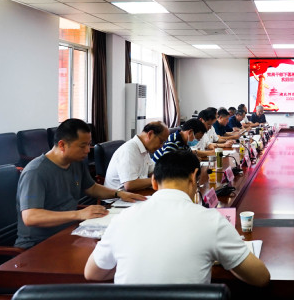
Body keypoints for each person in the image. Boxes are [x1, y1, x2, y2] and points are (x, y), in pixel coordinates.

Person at [84, 151, 270, 286]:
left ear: (154, 181)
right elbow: (261, 278)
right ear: (194, 177)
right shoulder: (211, 221)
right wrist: (226, 258)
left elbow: (92, 273)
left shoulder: (123, 218)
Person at [15, 119, 145, 249]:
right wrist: (78, 214)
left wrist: (119, 193)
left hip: (70, 232)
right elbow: (31, 217)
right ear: (62, 145)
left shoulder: (75, 162)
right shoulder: (36, 172)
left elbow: (92, 188)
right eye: (83, 146)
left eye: (89, 144)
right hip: (38, 244)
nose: (88, 150)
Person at [104, 121, 169, 191]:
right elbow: (130, 184)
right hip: (117, 196)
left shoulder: (144, 149)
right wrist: (157, 179)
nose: (161, 146)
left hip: (134, 193)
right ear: (150, 134)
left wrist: (168, 174)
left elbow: (153, 171)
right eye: (161, 141)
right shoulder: (129, 150)